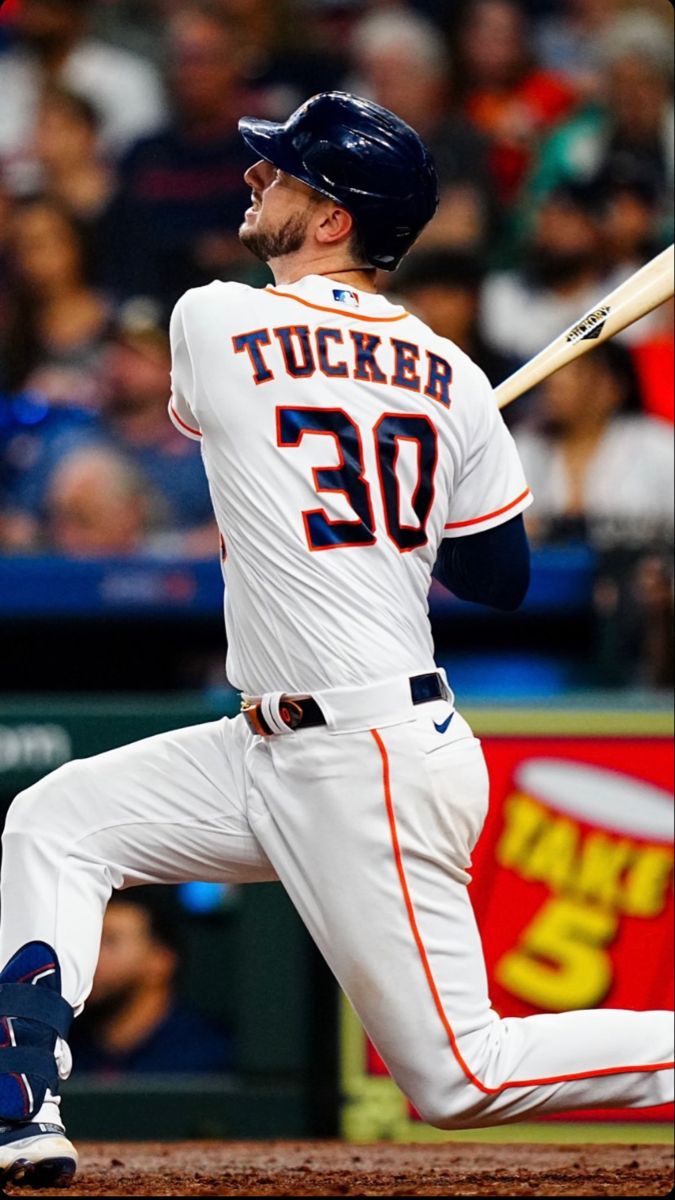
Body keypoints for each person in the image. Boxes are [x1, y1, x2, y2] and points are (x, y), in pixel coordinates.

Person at [0, 92, 671, 1190]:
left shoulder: (212, 320)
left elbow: (258, 440)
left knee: (463, 1079)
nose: (257, 179)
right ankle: (22, 1102)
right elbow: (493, 575)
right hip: (267, 744)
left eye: (285, 174)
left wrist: (398, 466)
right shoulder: (454, 378)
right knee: (57, 818)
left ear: (334, 220)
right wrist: (439, 462)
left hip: (371, 757)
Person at [0, 0, 167, 192]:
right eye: (29, 7)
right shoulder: (4, 75)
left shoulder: (127, 77)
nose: (37, 19)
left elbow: (144, 163)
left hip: (103, 206)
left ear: (78, 15)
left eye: (49, 8)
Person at [69, 890, 233, 1075]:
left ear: (161, 961)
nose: (92, 957)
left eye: (110, 942)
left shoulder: (205, 1059)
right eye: (90, 941)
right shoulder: (63, 1049)